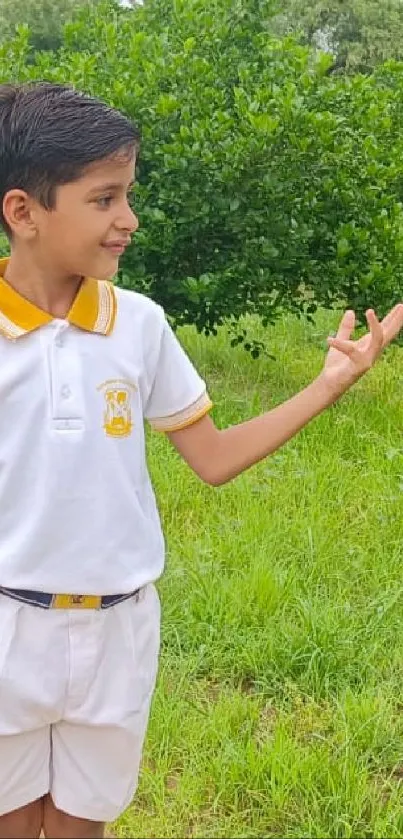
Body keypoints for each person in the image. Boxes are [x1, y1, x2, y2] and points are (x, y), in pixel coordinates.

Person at [0, 81, 401, 839]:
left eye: (129, 194)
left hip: (118, 630)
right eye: (104, 198)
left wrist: (327, 385)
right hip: (6, 624)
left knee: (82, 827)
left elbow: (212, 458)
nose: (129, 220)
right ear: (23, 212)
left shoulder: (138, 325)